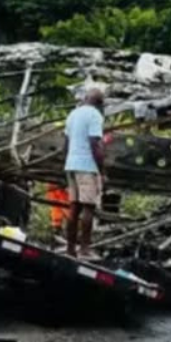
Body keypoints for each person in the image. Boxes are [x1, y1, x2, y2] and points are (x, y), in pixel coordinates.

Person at [64, 86, 106, 258]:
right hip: (87, 166)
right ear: (99, 103)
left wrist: (68, 162)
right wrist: (101, 171)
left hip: (71, 164)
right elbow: (94, 144)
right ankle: (85, 249)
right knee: (89, 208)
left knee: (74, 208)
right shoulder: (95, 115)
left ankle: (70, 249)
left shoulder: (73, 114)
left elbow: (65, 144)